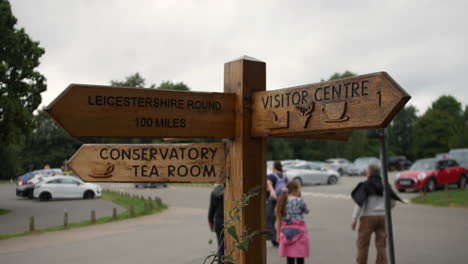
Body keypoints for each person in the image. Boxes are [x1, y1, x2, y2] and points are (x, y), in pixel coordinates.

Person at [350, 163, 403, 264]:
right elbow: (393, 202)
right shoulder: (385, 185)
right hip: (383, 218)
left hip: (368, 218)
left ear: (369, 173)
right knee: (381, 245)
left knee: (363, 245)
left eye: (367, 171)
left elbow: (359, 204)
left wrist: (354, 220)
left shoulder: (365, 185)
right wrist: (384, 210)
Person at [275, 181, 309, 264]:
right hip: (299, 229)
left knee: (290, 255)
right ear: (295, 190)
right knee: (300, 255)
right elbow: (306, 211)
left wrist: (278, 235)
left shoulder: (283, 200)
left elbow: (279, 219)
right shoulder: (299, 200)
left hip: (286, 230)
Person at [267, 160, 287, 247]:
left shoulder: (271, 176)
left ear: (273, 167)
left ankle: (275, 238)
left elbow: (268, 184)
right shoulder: (284, 176)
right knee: (281, 219)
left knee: (269, 219)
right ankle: (283, 237)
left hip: (273, 200)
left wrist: (272, 192)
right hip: (283, 200)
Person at [208, 184, 225, 263]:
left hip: (218, 221)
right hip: (229, 220)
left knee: (221, 246)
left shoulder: (214, 192)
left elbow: (211, 210)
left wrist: (211, 224)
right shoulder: (228, 190)